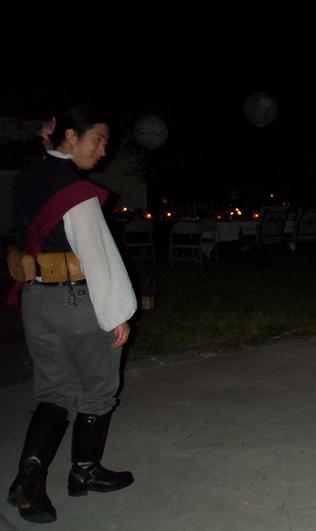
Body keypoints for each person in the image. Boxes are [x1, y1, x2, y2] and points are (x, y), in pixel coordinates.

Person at [6, 105, 137, 524]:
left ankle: (29, 480)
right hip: (77, 302)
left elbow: (42, 174)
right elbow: (96, 255)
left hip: (36, 300)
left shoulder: (29, 177)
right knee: (97, 389)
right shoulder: (75, 192)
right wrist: (116, 313)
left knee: (55, 391)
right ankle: (84, 471)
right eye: (97, 139)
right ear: (70, 136)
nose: (103, 150)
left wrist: (44, 145)